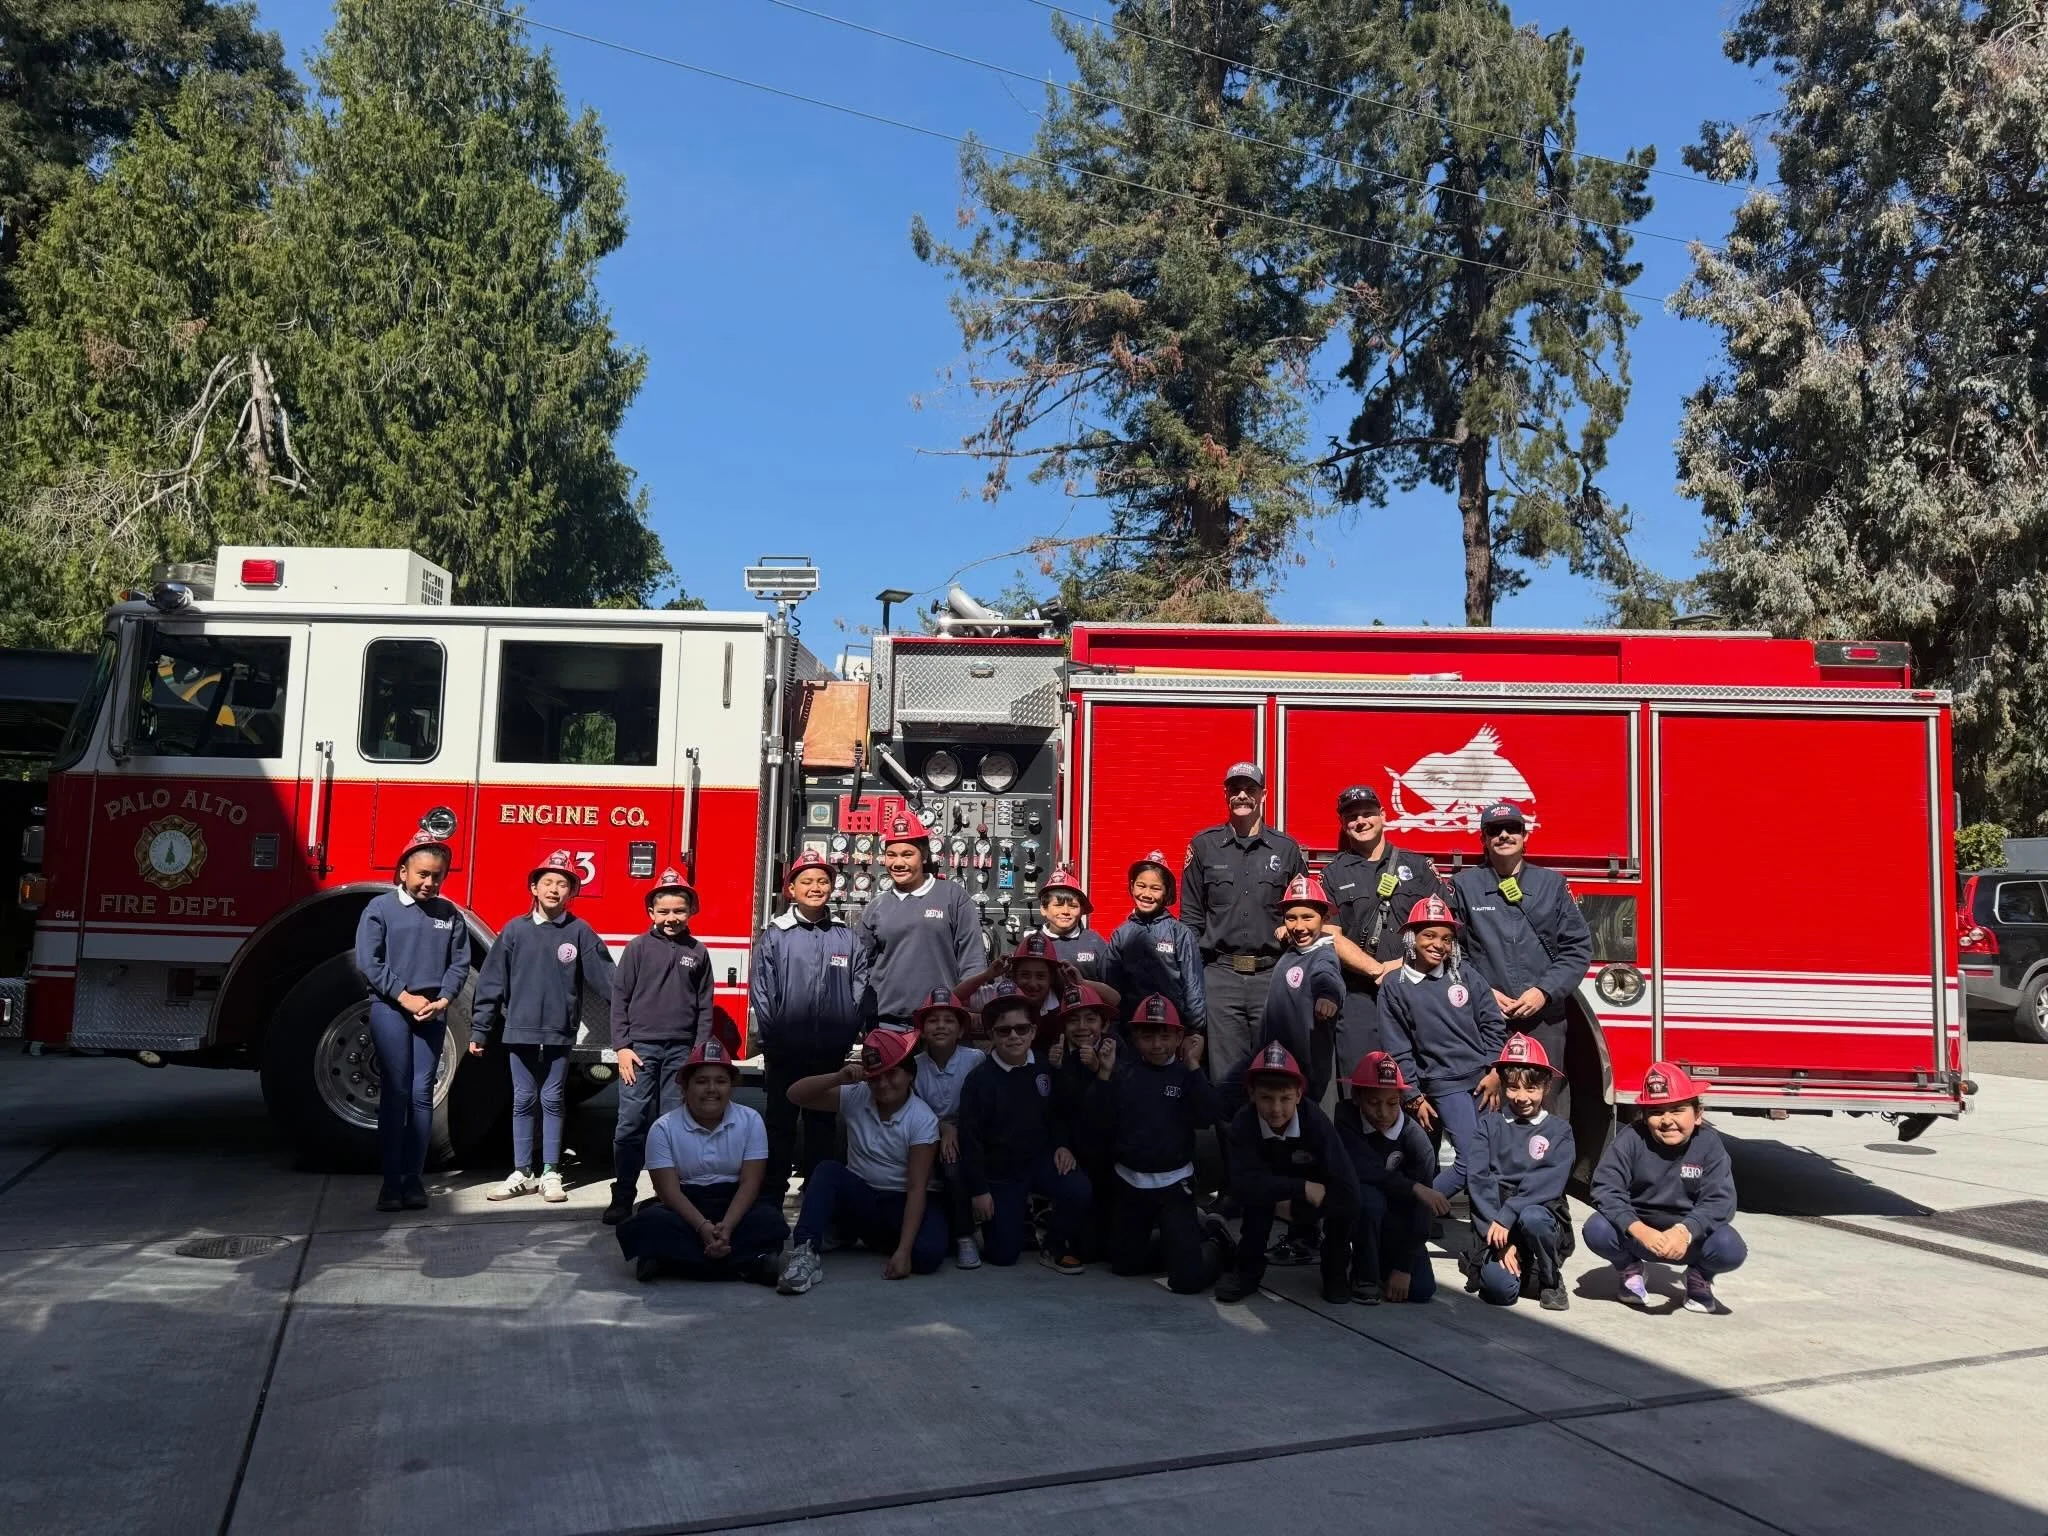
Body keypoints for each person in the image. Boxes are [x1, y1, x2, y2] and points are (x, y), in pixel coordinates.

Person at [470, 851, 616, 1203]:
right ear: (534, 888)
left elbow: (608, 980)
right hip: (518, 1029)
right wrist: (479, 1028)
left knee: (552, 1098)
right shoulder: (514, 930)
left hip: (558, 1031)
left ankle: (551, 1171)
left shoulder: (580, 932)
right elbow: (491, 982)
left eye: (563, 884)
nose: (554, 889)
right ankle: (521, 1171)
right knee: (522, 1099)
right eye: (547, 882)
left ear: (572, 892)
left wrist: (633, 1019)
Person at [775, 1028, 949, 1293]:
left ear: (910, 1075)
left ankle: (863, 1236)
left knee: (926, 1257)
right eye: (876, 1077)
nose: (883, 1084)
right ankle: (805, 1251)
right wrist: (838, 1077)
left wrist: (903, 1252)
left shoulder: (922, 1119)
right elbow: (795, 1095)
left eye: (892, 1074)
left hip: (902, 1201)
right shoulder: (857, 1095)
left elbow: (916, 1188)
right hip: (863, 1196)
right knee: (827, 1171)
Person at [353, 829, 470, 1212]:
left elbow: (459, 963)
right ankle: (390, 1182)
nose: (429, 882)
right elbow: (370, 961)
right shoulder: (380, 910)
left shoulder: (449, 914)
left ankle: (413, 1178)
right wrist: (403, 996)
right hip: (392, 1009)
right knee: (396, 1092)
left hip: (431, 1013)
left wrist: (444, 1000)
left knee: (422, 1095)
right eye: (421, 874)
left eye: (437, 875)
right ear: (403, 871)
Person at [1450, 802, 1592, 1113]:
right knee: (1490, 1103)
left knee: (1545, 1102)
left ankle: (1547, 1161)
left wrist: (1544, 992)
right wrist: (1483, 991)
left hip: (1544, 1018)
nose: (1504, 835)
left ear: (1524, 836)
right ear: (1484, 839)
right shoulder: (1465, 886)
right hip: (1487, 1019)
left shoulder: (1551, 885)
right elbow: (1452, 951)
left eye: (1512, 828)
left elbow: (1578, 947)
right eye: (1494, 830)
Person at [1085, 995, 1229, 1295]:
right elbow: (1097, 1123)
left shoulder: (1185, 1074)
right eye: (1147, 1036)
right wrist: (1104, 1074)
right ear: (1134, 1036)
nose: (1156, 1044)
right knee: (1123, 1265)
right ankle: (1181, 1244)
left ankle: (1216, 1243)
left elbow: (1208, 1116)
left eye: (1165, 1036)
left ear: (1179, 1037)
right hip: (1130, 1183)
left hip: (1174, 1186)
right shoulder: (1122, 1071)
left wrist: (1193, 1066)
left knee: (1187, 1282)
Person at [614, 1036, 788, 1283]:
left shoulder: (751, 1120)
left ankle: (673, 1261)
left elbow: (750, 1183)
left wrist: (725, 1227)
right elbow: (669, 1193)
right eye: (701, 1081)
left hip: (734, 1204)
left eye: (721, 1081)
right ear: (685, 1086)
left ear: (731, 1086)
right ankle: (748, 1263)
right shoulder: (663, 1128)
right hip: (687, 1204)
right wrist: (703, 1228)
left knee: (769, 1219)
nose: (711, 1090)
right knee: (651, 1220)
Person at [1180, 764, 1306, 1105]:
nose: (1242, 795)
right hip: (1221, 978)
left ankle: (1270, 1154)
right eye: (1234, 789)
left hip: (1272, 975)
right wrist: (1194, 982)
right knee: (1226, 1079)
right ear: (1225, 795)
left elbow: (1307, 912)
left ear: (1263, 795)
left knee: (1274, 1071)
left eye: (1250, 789)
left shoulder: (1287, 849)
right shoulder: (1204, 847)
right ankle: (1233, 1156)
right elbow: (1191, 920)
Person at [1585, 1062, 1747, 1313]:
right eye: (1657, 1111)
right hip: (1639, 1234)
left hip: (1687, 1239)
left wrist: (1685, 1232)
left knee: (1730, 1248)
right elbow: (1606, 1187)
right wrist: (1639, 1230)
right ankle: (1629, 1268)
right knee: (1596, 1229)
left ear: (1698, 1114)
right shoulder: (1631, 1138)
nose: (1667, 1121)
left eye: (1678, 1110)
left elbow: (1720, 1200)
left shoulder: (1709, 1144)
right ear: (1644, 1115)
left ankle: (1699, 1277)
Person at [603, 867, 715, 1225]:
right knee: (631, 1124)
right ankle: (622, 1195)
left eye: (679, 910)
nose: (671, 918)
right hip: (639, 1052)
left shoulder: (698, 952)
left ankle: (668, 1197)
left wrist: (697, 1054)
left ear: (690, 911)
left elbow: (705, 1007)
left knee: (672, 1126)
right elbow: (619, 999)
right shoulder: (637, 949)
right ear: (651, 912)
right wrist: (622, 1046)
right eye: (663, 911)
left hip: (681, 1054)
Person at [749, 849, 860, 1206]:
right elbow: (763, 991)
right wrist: (773, 1041)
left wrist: (845, 1034)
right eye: (807, 881)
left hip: (829, 1052)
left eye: (823, 881)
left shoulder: (846, 937)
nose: (816, 887)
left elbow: (859, 987)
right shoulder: (776, 936)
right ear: (791, 890)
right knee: (779, 1125)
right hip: (785, 1052)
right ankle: (770, 1197)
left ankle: (817, 1194)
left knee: (822, 1127)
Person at [1378, 895, 1507, 1196]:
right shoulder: (1395, 985)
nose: (1439, 944)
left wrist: (1494, 1071)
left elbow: (1493, 1023)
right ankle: (1412, 1208)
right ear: (1411, 938)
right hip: (1443, 1085)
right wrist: (1412, 1095)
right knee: (1468, 1161)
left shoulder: (1466, 975)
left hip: (1483, 1082)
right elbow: (1396, 1047)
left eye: (1447, 938)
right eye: (1430, 936)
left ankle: (1486, 1235)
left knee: (1491, 1160)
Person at [956, 988, 1092, 1273]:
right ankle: (1016, 1216)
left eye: (1021, 1029)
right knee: (1003, 1255)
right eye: (1004, 1031)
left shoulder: (1043, 1065)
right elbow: (970, 1140)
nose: (1014, 1037)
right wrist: (980, 1190)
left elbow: (1056, 1114)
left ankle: (1053, 1244)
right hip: (1001, 1173)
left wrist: (1062, 1145)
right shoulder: (979, 1081)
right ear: (991, 1036)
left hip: (1039, 1161)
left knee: (1077, 1187)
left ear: (1033, 1032)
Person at [1217, 1043, 1360, 1306]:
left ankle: (1335, 1273)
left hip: (1316, 1193)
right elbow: (1241, 1185)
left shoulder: (1316, 1123)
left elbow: (1347, 1185)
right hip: (1279, 1190)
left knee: (1345, 1210)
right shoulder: (1243, 1123)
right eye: (1266, 1098)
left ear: (1298, 1094)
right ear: (1251, 1094)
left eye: (1284, 1098)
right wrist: (1299, 1187)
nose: (1276, 1108)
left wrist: (1316, 1202)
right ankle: (1247, 1272)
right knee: (1254, 1206)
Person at [1322, 785, 1444, 1081]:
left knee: (1416, 1082)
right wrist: (1377, 969)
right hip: (1357, 997)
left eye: (1367, 813)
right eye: (1352, 816)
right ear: (1343, 824)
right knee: (1359, 1083)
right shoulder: (1333, 873)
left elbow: (1441, 931)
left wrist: (1402, 965)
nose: (1360, 821)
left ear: (1383, 816)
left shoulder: (1418, 867)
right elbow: (1330, 935)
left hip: (1416, 991)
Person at [1462, 1033, 1575, 1311]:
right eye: (1512, 1088)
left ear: (1547, 1086)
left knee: (1533, 1215)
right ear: (1501, 1084)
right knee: (1499, 1292)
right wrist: (1502, 1241)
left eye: (1531, 1089)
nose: (1522, 1097)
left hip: (1537, 1218)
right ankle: (1515, 1266)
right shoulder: (1488, 1127)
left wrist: (1511, 1211)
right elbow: (1478, 1180)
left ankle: (1550, 1278)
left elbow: (1550, 1181)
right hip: (1497, 1226)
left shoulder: (1560, 1131)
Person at [852, 810, 987, 1030]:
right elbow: (860, 968)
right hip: (886, 1025)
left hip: (940, 1023)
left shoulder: (953, 897)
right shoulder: (876, 907)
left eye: (907, 854)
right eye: (892, 855)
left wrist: (963, 1014)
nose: (898, 862)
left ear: (923, 855)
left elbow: (972, 962)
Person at [1336, 1052, 1446, 1304]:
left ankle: (1385, 1263)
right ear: (1357, 1098)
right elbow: (1362, 1168)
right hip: (1363, 1213)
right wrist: (1414, 1187)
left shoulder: (1417, 1140)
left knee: (1421, 1291)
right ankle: (1365, 1277)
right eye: (1373, 1102)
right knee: (1368, 1198)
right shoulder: (1344, 1120)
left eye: (1392, 1102)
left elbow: (1422, 1210)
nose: (1383, 1112)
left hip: (1400, 1220)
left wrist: (1404, 1267)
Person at [911, 986, 988, 1269]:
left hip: (968, 1136)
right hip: (928, 1136)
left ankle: (965, 1235)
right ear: (922, 1028)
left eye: (948, 1020)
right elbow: (914, 1108)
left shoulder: (975, 1060)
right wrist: (943, 1127)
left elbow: (981, 1109)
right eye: (933, 1020)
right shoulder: (914, 1066)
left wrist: (955, 1129)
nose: (940, 1026)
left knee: (953, 1162)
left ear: (960, 1029)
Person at [1045, 982, 1118, 1259]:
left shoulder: (1119, 1052)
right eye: (1073, 1020)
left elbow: (1108, 1116)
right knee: (1087, 1249)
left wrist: (1100, 1071)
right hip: (1081, 1157)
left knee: (1117, 1252)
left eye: (1090, 1019)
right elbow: (1057, 1112)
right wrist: (1061, 1144)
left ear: (1104, 1024)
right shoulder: (1062, 1056)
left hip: (1115, 1162)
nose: (1082, 1027)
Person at [1258, 874, 1346, 1096]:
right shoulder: (1292, 952)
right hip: (1280, 1062)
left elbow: (1327, 977)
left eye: (1308, 917)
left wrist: (1329, 998)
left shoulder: (1323, 954)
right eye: (1291, 918)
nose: (1298, 926)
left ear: (1325, 918)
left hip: (1308, 1072)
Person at [1103, 850, 1206, 1034]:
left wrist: (1194, 1030)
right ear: (1132, 886)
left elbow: (1193, 985)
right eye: (1141, 886)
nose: (1147, 894)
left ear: (1167, 892)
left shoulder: (1180, 933)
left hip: (1171, 1029)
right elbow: (1110, 986)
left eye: (1155, 888)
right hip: (1131, 1029)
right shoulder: (1121, 934)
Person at [952, 932, 1062, 1047]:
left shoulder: (1063, 998)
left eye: (1041, 976)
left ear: (1052, 978)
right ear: (1014, 976)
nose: (1033, 984)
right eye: (1025, 975)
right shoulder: (1003, 992)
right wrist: (986, 975)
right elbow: (954, 998)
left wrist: (1080, 982)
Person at [1032, 865, 1119, 1002]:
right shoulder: (1032, 943)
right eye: (1058, 905)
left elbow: (1114, 994)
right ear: (1044, 909)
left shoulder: (1094, 942)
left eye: (1073, 906)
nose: (1066, 911)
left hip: (1084, 1021)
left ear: (1082, 910)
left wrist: (1083, 983)